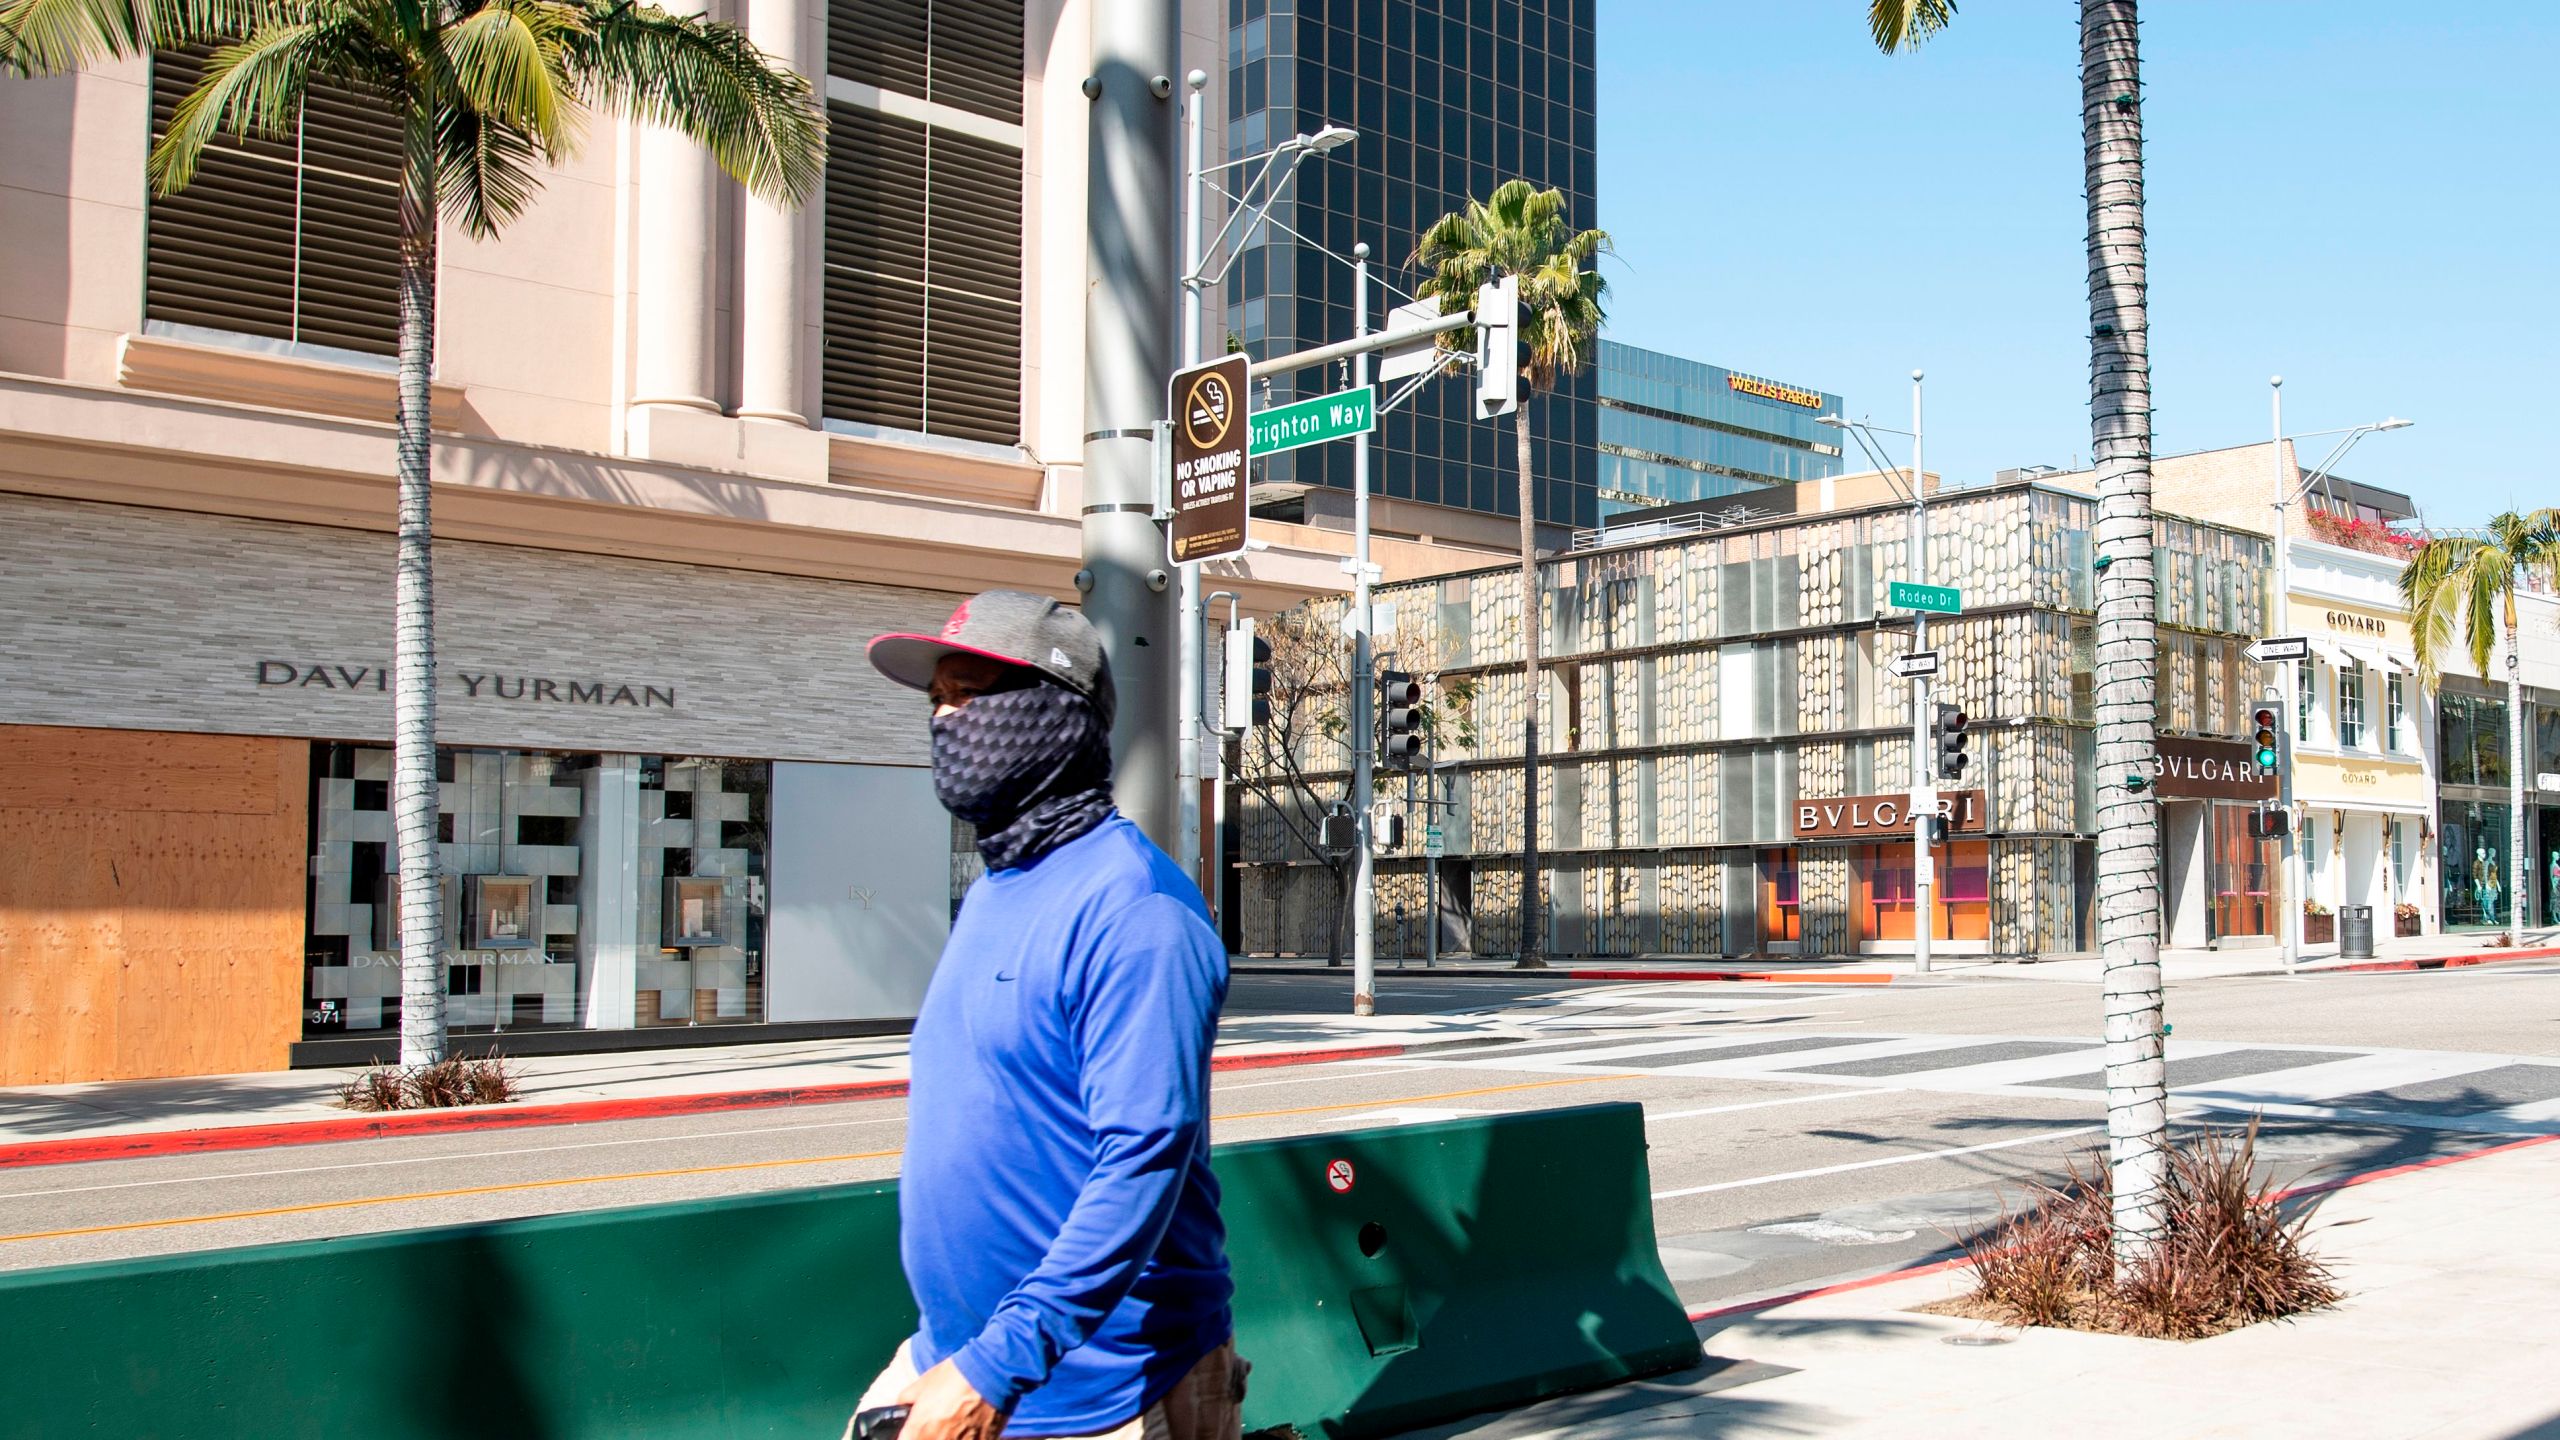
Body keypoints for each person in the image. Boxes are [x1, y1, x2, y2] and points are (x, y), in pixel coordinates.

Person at [852, 589, 1241, 1440]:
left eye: (969, 693)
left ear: (1053, 714)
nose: (946, 720)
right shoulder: (997, 888)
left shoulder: (1137, 910)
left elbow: (1142, 1158)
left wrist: (1000, 1366)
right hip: (950, 1359)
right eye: (936, 701)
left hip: (1103, 1393)